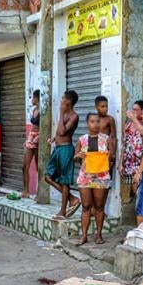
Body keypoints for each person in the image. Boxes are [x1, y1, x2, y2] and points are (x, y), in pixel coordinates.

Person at [74, 113, 111, 245]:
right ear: (87, 124)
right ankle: (84, 236)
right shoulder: (81, 140)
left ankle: (99, 235)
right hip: (85, 177)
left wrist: (105, 158)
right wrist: (79, 155)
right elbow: (76, 159)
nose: (95, 124)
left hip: (101, 177)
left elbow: (112, 157)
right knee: (85, 207)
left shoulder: (106, 139)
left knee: (99, 207)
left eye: (97, 121)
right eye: (92, 122)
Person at [45, 90, 81, 219]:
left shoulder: (74, 116)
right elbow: (58, 133)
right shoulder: (65, 114)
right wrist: (54, 138)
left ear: (68, 102)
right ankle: (72, 198)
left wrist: (61, 112)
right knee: (48, 177)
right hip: (58, 149)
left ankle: (62, 211)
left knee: (64, 181)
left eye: (62, 99)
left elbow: (62, 131)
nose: (60, 101)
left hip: (66, 150)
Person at [119, 100, 143, 190]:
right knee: (134, 189)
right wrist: (120, 163)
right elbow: (124, 144)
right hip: (129, 164)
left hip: (141, 164)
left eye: (136, 110)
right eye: (132, 110)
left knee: (139, 189)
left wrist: (133, 118)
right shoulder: (128, 125)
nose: (133, 112)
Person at [22, 90, 40, 198]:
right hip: (31, 136)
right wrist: (28, 138)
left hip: (39, 137)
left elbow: (46, 126)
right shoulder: (34, 110)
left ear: (37, 98)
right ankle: (26, 191)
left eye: (33, 97)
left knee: (39, 167)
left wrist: (40, 136)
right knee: (24, 166)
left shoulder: (44, 110)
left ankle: (40, 192)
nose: (32, 99)